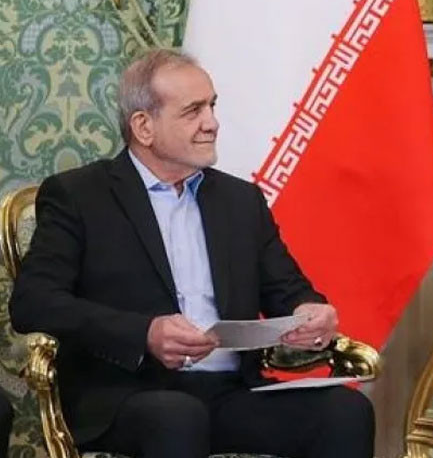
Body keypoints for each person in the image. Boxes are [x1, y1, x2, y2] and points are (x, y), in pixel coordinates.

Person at [10, 48, 374, 458]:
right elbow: (33, 302)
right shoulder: (80, 195)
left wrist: (310, 312)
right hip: (130, 394)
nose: (212, 123)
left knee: (345, 411)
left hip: (231, 394)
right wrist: (144, 333)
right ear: (144, 126)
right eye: (193, 111)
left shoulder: (241, 201)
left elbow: (288, 290)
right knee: (178, 417)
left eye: (212, 106)